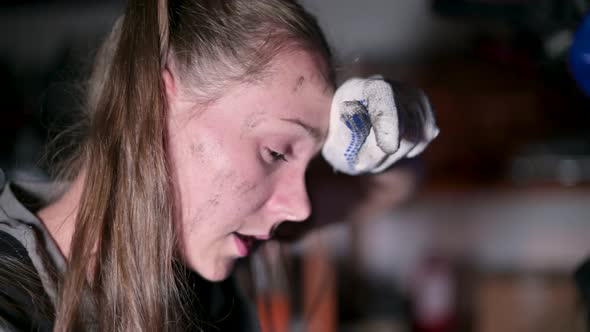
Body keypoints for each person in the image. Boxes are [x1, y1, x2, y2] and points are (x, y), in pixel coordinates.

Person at [0, 0, 437, 331]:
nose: (299, 208)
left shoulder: (192, 241)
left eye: (311, 163)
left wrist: (390, 130)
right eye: (277, 152)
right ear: (151, 107)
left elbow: (394, 184)